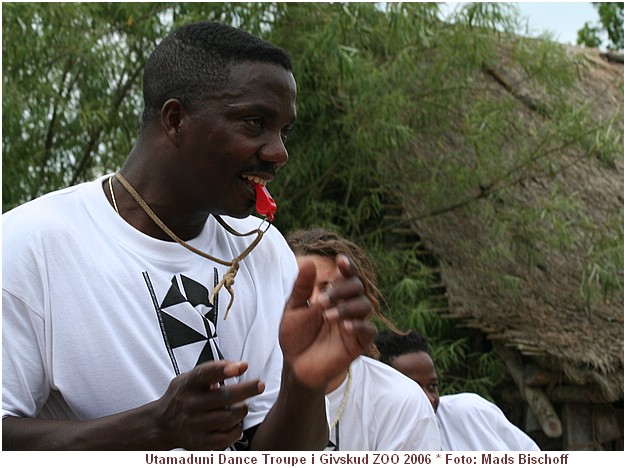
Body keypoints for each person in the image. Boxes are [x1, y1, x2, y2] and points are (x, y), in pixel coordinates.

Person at [2, 22, 376, 450]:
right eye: (255, 123)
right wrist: (153, 429)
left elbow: (268, 453)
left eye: (283, 131)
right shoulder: (32, 245)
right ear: (176, 120)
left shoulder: (263, 249)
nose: (279, 153)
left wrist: (303, 384)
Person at [286, 228, 440, 451]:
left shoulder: (401, 401)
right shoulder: (255, 390)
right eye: (299, 291)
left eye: (328, 291)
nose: (314, 303)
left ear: (359, 304)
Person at [375, 330, 540, 451]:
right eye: (414, 390)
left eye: (432, 386)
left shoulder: (472, 413)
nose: (430, 399)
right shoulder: (370, 443)